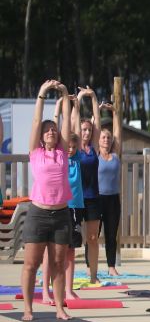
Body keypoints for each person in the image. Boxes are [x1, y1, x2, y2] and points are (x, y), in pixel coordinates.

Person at [20, 80, 72, 321]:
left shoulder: (62, 151)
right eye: (47, 129)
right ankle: (29, 309)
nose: (51, 131)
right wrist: (42, 94)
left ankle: (60, 307)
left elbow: (67, 122)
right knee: (31, 264)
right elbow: (35, 121)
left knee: (59, 265)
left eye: (54, 128)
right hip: (38, 214)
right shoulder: (35, 152)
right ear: (41, 136)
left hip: (61, 215)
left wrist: (63, 94)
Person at [41, 98, 83, 304]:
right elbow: (59, 127)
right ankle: (46, 290)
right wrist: (58, 107)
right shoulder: (54, 154)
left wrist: (75, 105)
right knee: (50, 252)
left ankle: (68, 289)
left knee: (69, 251)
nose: (69, 147)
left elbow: (72, 128)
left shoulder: (72, 156)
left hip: (71, 208)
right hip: (51, 206)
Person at [73, 86, 102, 283]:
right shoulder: (74, 149)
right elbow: (75, 122)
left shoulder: (94, 148)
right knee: (71, 241)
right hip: (75, 198)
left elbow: (97, 123)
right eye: (84, 129)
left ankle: (93, 276)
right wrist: (80, 97)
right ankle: (64, 276)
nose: (86, 132)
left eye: (89, 130)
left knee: (92, 239)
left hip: (93, 198)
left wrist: (93, 97)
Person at [97, 101, 123, 276]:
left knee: (111, 235)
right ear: (98, 140)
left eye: (108, 137)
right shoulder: (95, 155)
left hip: (113, 199)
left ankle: (111, 266)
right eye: (103, 137)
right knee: (93, 236)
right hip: (97, 199)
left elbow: (118, 132)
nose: (106, 139)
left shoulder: (115, 155)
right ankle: (92, 266)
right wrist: (97, 112)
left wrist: (114, 113)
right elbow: (94, 129)